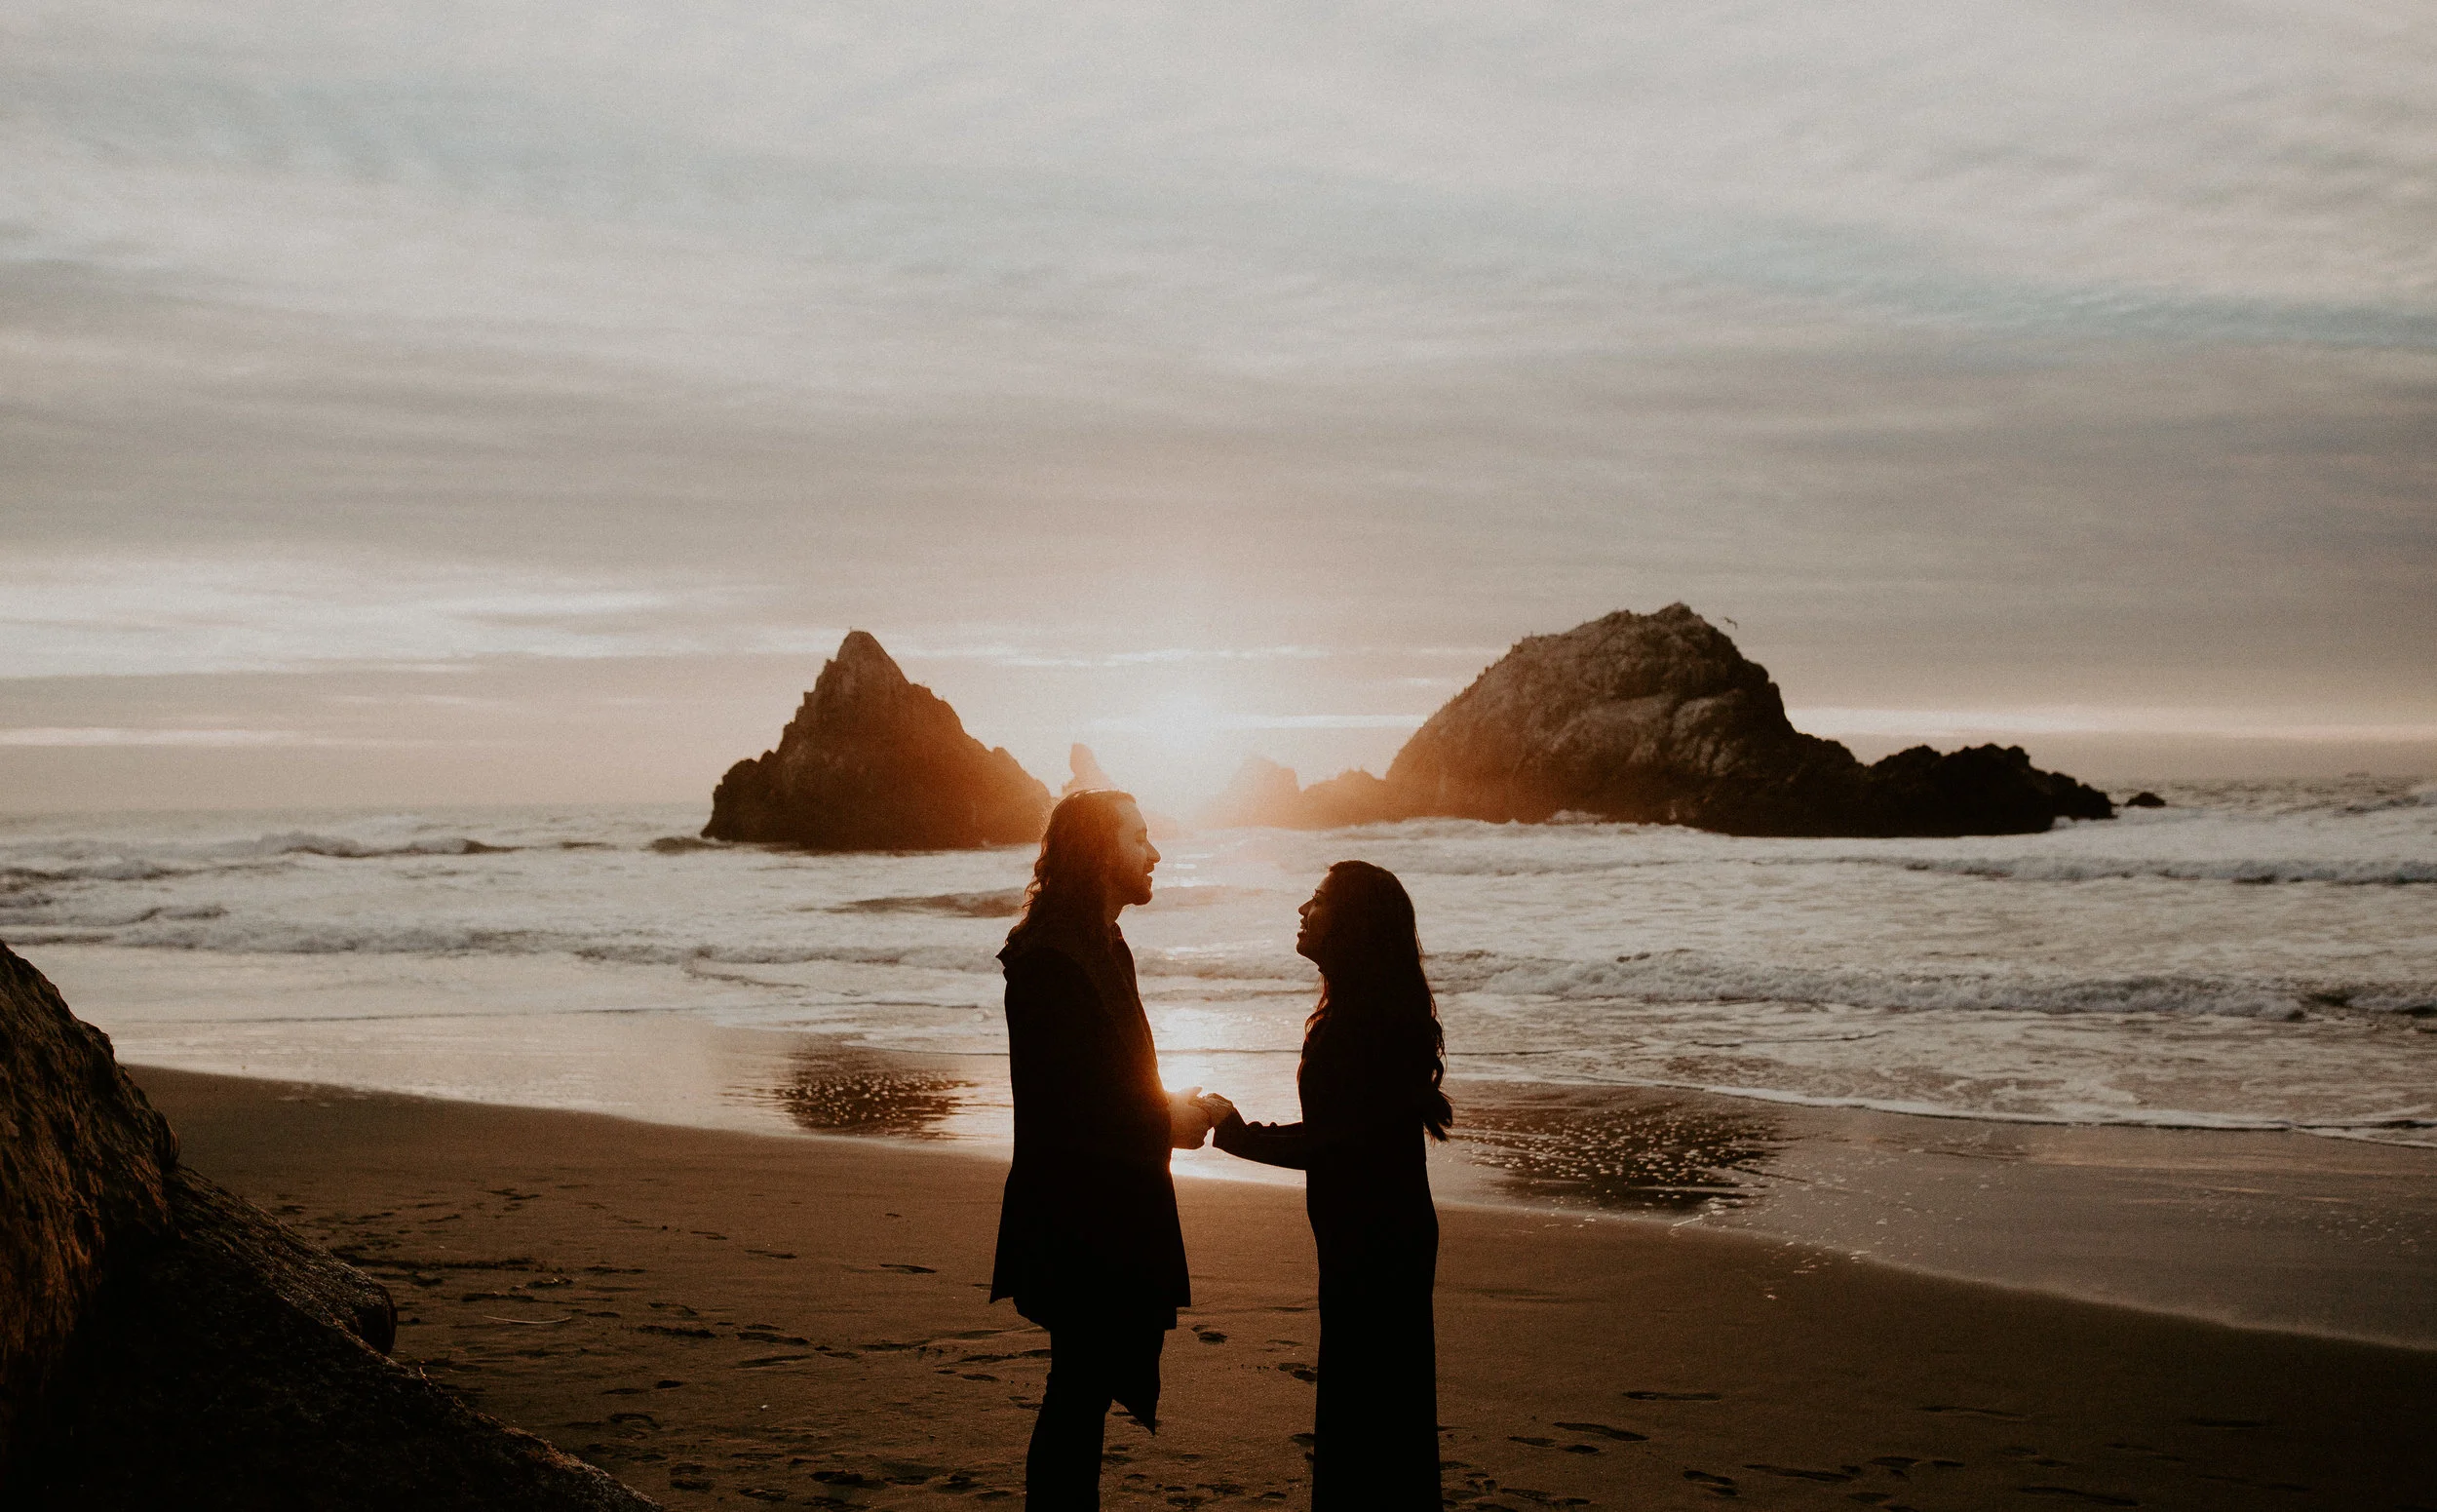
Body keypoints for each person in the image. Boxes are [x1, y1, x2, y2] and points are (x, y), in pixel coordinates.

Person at [1201, 861, 1451, 1510]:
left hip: (1376, 1243)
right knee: (1384, 1419)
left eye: (1317, 901)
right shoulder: (1360, 1012)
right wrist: (1239, 1130)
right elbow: (1338, 1133)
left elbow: (1333, 1142)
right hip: (1376, 1234)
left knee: (1365, 1419)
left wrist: (1236, 1131)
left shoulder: (1356, 1024)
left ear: (1352, 922)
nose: (1302, 910)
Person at [992, 788, 1215, 1510]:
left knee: (1080, 1387)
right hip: (1078, 1213)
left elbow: (1112, 1081)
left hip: (1099, 1203)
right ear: (1098, 849)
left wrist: (1168, 1111)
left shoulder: (1098, 941)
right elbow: (1080, 1104)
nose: (1154, 853)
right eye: (1139, 837)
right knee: (1077, 1389)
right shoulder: (1052, 957)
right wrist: (1175, 1119)